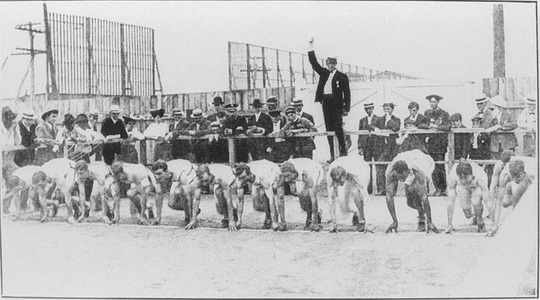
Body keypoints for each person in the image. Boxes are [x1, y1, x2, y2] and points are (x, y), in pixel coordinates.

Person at [308, 38, 350, 160]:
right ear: (326, 63)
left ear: (336, 64)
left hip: (336, 104)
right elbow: (314, 63)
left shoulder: (342, 76)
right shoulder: (324, 73)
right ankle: (333, 155)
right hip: (326, 103)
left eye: (333, 63)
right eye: (329, 63)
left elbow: (347, 93)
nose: (331, 65)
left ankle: (343, 151)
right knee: (329, 129)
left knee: (338, 127)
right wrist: (311, 47)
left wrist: (346, 108)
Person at [384, 150, 439, 234]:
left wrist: (430, 221)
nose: (400, 181)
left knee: (417, 192)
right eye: (397, 177)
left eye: (402, 177)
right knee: (410, 202)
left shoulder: (419, 172)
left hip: (423, 161)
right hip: (406, 158)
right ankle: (420, 212)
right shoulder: (390, 173)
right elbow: (389, 196)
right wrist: (394, 220)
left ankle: (422, 217)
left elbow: (424, 198)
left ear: (407, 172)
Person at [184, 164, 238, 230]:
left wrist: (231, 220)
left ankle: (229, 217)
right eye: (202, 181)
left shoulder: (220, 178)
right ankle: (232, 212)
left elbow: (228, 200)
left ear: (210, 175)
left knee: (219, 192)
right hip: (217, 178)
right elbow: (196, 199)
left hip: (229, 175)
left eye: (206, 181)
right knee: (219, 210)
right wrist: (193, 220)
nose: (204, 184)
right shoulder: (198, 180)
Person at [276, 158, 325, 231]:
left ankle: (312, 219)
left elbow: (313, 198)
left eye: (288, 176)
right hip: (300, 172)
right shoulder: (282, 175)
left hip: (314, 170)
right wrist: (282, 223)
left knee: (307, 195)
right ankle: (314, 214)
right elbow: (280, 198)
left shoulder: (306, 173)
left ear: (294, 172)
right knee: (300, 196)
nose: (286, 180)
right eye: (285, 177)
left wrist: (316, 223)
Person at [326, 154, 370, 233]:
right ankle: (356, 212)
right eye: (338, 182)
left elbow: (366, 197)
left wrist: (366, 223)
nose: (340, 183)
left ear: (345, 176)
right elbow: (330, 199)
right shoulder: (329, 176)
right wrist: (333, 223)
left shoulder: (359, 174)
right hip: (346, 165)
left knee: (357, 194)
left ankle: (362, 219)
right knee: (342, 202)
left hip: (359, 168)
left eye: (341, 182)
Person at [233, 160, 280, 230]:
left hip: (271, 171)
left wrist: (274, 222)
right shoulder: (241, 178)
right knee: (256, 206)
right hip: (258, 176)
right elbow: (240, 199)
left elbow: (271, 198)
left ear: (250, 174)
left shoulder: (262, 176)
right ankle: (268, 215)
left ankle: (270, 219)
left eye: (244, 178)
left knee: (263, 194)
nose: (243, 181)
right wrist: (239, 221)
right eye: (241, 178)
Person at [445, 160, 489, 233]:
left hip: (475, 185)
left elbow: (488, 201)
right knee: (468, 215)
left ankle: (480, 220)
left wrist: (494, 223)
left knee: (476, 202)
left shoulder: (480, 176)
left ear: (472, 175)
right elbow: (451, 201)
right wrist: (449, 225)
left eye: (466, 178)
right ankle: (477, 215)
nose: (464, 181)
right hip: (462, 187)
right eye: (461, 178)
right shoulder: (453, 177)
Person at [150, 159, 198, 226]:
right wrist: (158, 218)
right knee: (172, 204)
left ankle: (189, 216)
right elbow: (159, 194)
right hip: (177, 177)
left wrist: (193, 219)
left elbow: (192, 197)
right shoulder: (157, 176)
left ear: (167, 171)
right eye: (155, 174)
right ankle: (194, 211)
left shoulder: (181, 175)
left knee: (181, 192)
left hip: (190, 171)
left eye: (159, 174)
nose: (157, 177)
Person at [424, 94, 451, 196]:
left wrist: (436, 127)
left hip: (440, 144)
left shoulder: (443, 113)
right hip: (430, 143)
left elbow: (448, 126)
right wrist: (428, 126)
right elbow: (422, 124)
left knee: (440, 166)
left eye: (434, 102)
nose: (432, 103)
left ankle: (443, 188)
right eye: (430, 102)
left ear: (438, 102)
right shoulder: (427, 113)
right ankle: (437, 188)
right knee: (433, 166)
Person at [357, 102, 383, 194]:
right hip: (366, 147)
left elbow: (382, 133)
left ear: (373, 108)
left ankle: (380, 189)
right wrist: (360, 147)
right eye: (366, 109)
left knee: (378, 167)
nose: (368, 110)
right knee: (367, 168)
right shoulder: (362, 120)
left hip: (376, 146)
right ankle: (368, 190)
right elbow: (360, 134)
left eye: (370, 108)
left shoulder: (379, 119)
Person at [376, 102, 401, 196]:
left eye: (388, 109)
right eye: (385, 108)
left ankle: (393, 190)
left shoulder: (396, 119)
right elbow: (371, 125)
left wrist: (389, 119)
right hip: (382, 147)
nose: (386, 110)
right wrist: (375, 129)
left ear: (392, 109)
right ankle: (381, 189)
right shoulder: (379, 119)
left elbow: (395, 127)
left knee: (394, 169)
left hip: (392, 148)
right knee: (380, 168)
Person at [473, 94, 498, 185]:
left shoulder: (490, 114)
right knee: (479, 163)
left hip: (488, 142)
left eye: (480, 104)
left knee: (489, 164)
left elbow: (490, 126)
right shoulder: (476, 115)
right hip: (479, 142)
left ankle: (490, 184)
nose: (479, 106)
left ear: (485, 103)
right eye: (477, 104)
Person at [2, 106, 21, 214]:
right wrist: (9, 131)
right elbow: (3, 142)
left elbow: (18, 141)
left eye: (10, 118)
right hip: (1, 156)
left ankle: (5, 208)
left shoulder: (14, 126)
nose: (9, 121)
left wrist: (13, 129)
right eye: (7, 118)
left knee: (12, 182)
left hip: (10, 158)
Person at [488, 95, 518, 159]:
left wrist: (501, 127)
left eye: (496, 106)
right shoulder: (493, 115)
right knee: (496, 161)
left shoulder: (508, 113)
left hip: (507, 142)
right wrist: (492, 118)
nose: (495, 107)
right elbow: (488, 126)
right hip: (496, 143)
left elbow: (513, 123)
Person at [265, 98, 292, 162]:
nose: (271, 107)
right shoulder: (266, 117)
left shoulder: (283, 117)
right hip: (273, 145)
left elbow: (287, 129)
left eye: (273, 105)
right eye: (269, 105)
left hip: (283, 143)